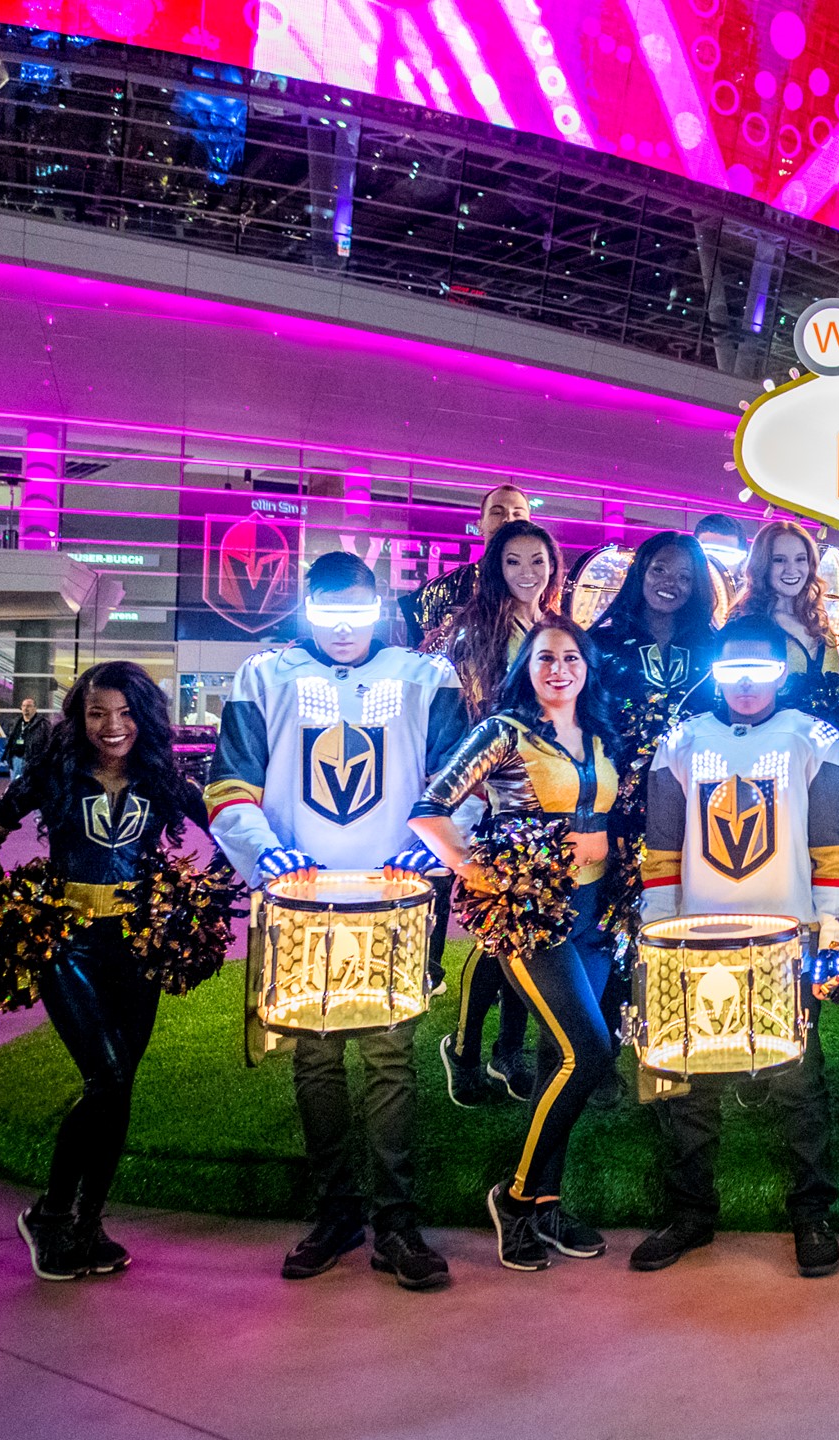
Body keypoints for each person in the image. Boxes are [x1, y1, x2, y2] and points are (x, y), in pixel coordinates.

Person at [206, 552, 468, 1292]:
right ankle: (336, 1212)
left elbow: (460, 777)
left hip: (392, 900)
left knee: (390, 1061)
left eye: (358, 612)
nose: (345, 629)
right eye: (330, 614)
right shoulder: (266, 676)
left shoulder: (425, 678)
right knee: (314, 1057)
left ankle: (396, 1220)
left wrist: (429, 849)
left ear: (381, 604)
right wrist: (270, 858)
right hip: (300, 902)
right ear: (308, 606)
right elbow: (229, 781)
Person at [628, 615, 839, 1279]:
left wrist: (832, 933)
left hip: (785, 941)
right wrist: (655, 933)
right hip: (697, 942)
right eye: (733, 671)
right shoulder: (681, 741)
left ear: (784, 671)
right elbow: (663, 851)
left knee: (799, 1083)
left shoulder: (816, 739)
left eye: (761, 671)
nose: (748, 684)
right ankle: (691, 1212)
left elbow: (836, 852)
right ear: (716, 672)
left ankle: (811, 1213)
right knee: (689, 1083)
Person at [0, 664, 208, 1282]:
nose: (113, 727)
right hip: (67, 944)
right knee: (105, 1074)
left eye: (127, 713)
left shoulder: (165, 777)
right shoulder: (54, 773)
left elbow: (235, 834)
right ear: (80, 719)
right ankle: (50, 1214)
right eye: (99, 713)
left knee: (119, 1083)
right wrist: (4, 905)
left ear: (146, 717)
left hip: (140, 947)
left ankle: (88, 1222)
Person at [410, 618, 620, 1271]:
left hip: (594, 913)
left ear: (587, 666)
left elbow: (611, 819)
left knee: (563, 1057)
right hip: (535, 916)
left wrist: (608, 851)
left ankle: (547, 1203)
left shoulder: (600, 735)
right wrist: (483, 872)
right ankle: (517, 1197)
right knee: (589, 1053)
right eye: (545, 657)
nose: (558, 668)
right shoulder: (503, 733)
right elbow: (430, 809)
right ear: (527, 667)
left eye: (570, 657)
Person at [433, 519, 567, 1108]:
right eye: (513, 561)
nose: (526, 573)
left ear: (553, 566)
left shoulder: (555, 627)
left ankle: (507, 1050)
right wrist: (480, 779)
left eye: (537, 561)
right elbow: (468, 714)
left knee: (530, 930)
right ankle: (463, 1049)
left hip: (548, 796)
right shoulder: (474, 629)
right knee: (497, 937)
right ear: (495, 566)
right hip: (494, 789)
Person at [588, 530, 721, 717]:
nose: (669, 582)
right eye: (659, 570)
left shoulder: (711, 647)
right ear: (641, 571)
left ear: (695, 586)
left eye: (684, 577)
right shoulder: (601, 643)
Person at [402, 483, 531, 646]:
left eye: (517, 514)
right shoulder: (435, 593)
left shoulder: (546, 592)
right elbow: (422, 662)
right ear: (480, 526)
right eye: (497, 512)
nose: (508, 519)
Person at [729, 520, 839, 686]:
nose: (791, 569)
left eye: (800, 559)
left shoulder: (819, 625)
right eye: (779, 560)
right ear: (762, 564)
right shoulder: (743, 625)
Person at [3, 696, 51, 780]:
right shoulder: (15, 723)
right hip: (16, 760)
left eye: (29, 706)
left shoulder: (43, 724)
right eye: (24, 706)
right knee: (15, 786)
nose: (26, 708)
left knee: (31, 787)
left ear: (35, 708)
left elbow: (48, 744)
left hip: (32, 762)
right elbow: (9, 739)